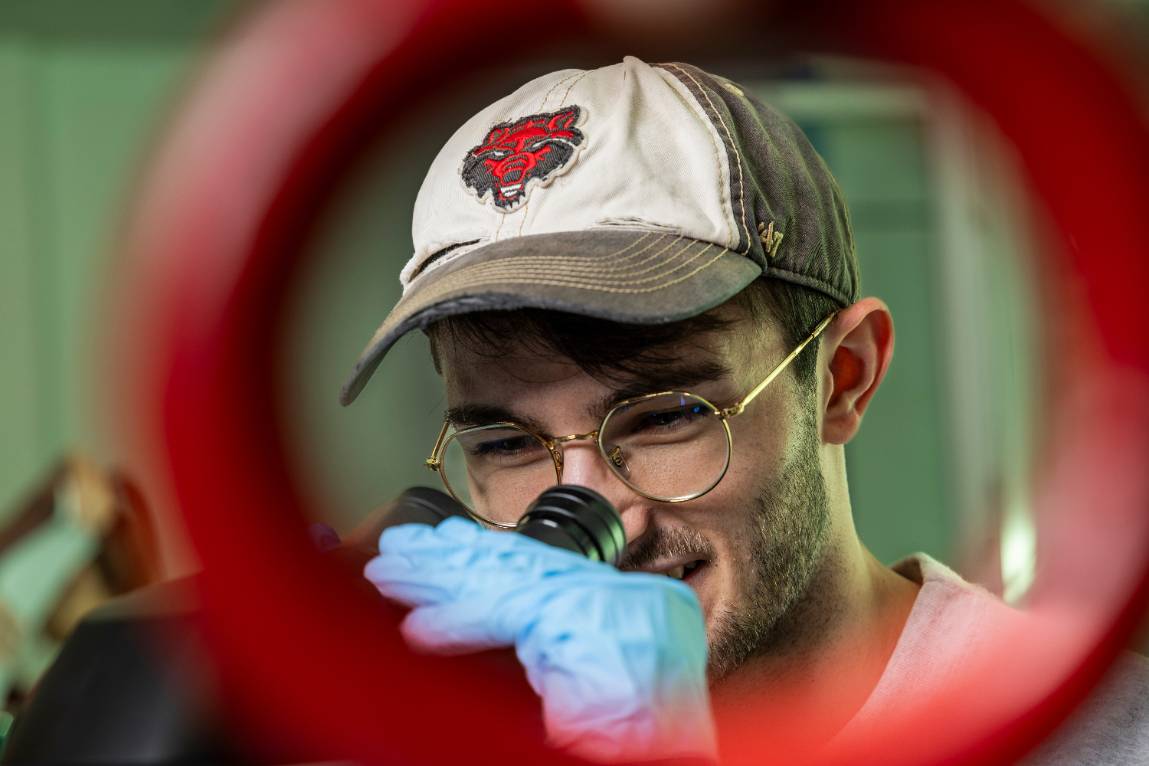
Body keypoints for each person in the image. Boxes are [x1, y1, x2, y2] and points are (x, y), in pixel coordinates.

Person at [339, 58, 1149, 763]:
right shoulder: (437, 735)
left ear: (842, 377)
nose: (592, 513)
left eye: (664, 415)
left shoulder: (1105, 734)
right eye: (507, 442)